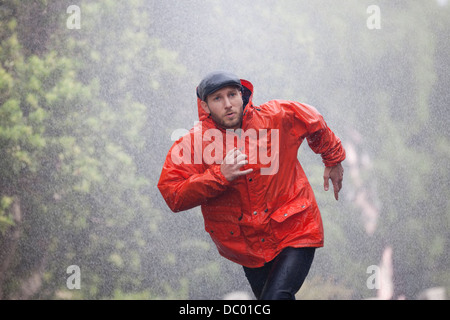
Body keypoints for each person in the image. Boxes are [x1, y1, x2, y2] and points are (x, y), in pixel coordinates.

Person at [157, 71, 345, 300]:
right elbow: (173, 194)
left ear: (242, 96)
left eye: (232, 95)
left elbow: (313, 119)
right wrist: (219, 176)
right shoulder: (193, 143)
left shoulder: (275, 116)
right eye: (218, 98)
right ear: (205, 107)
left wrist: (333, 159)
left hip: (295, 228)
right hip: (249, 248)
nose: (228, 104)